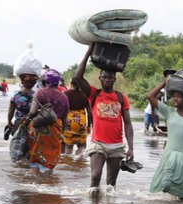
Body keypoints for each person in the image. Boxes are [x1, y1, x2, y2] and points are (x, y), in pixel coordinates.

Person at [75, 44, 134, 195]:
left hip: (116, 145)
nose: (107, 80)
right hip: (98, 144)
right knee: (95, 177)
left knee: (111, 184)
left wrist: (131, 148)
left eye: (110, 77)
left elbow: (127, 123)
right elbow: (78, 77)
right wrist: (88, 53)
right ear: (100, 78)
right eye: (104, 77)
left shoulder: (121, 97)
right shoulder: (93, 93)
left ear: (114, 79)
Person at [147, 78, 183, 201]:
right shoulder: (169, 112)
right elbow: (150, 96)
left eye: (179, 96)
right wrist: (164, 82)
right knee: (165, 184)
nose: (175, 98)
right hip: (171, 156)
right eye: (174, 96)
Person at [27, 69, 69, 175]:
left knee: (36, 157)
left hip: (40, 129)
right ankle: (48, 182)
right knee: (50, 158)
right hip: (56, 130)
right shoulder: (64, 97)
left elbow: (32, 112)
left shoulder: (40, 92)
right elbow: (64, 119)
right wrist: (61, 135)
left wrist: (26, 121)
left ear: (45, 81)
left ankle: (36, 182)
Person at [63, 77, 92, 160]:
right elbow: (89, 112)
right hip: (81, 123)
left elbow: (62, 109)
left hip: (69, 122)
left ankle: (69, 165)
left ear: (71, 84)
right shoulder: (84, 95)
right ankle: (79, 162)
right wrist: (89, 126)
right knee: (82, 145)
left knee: (68, 148)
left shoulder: (65, 93)